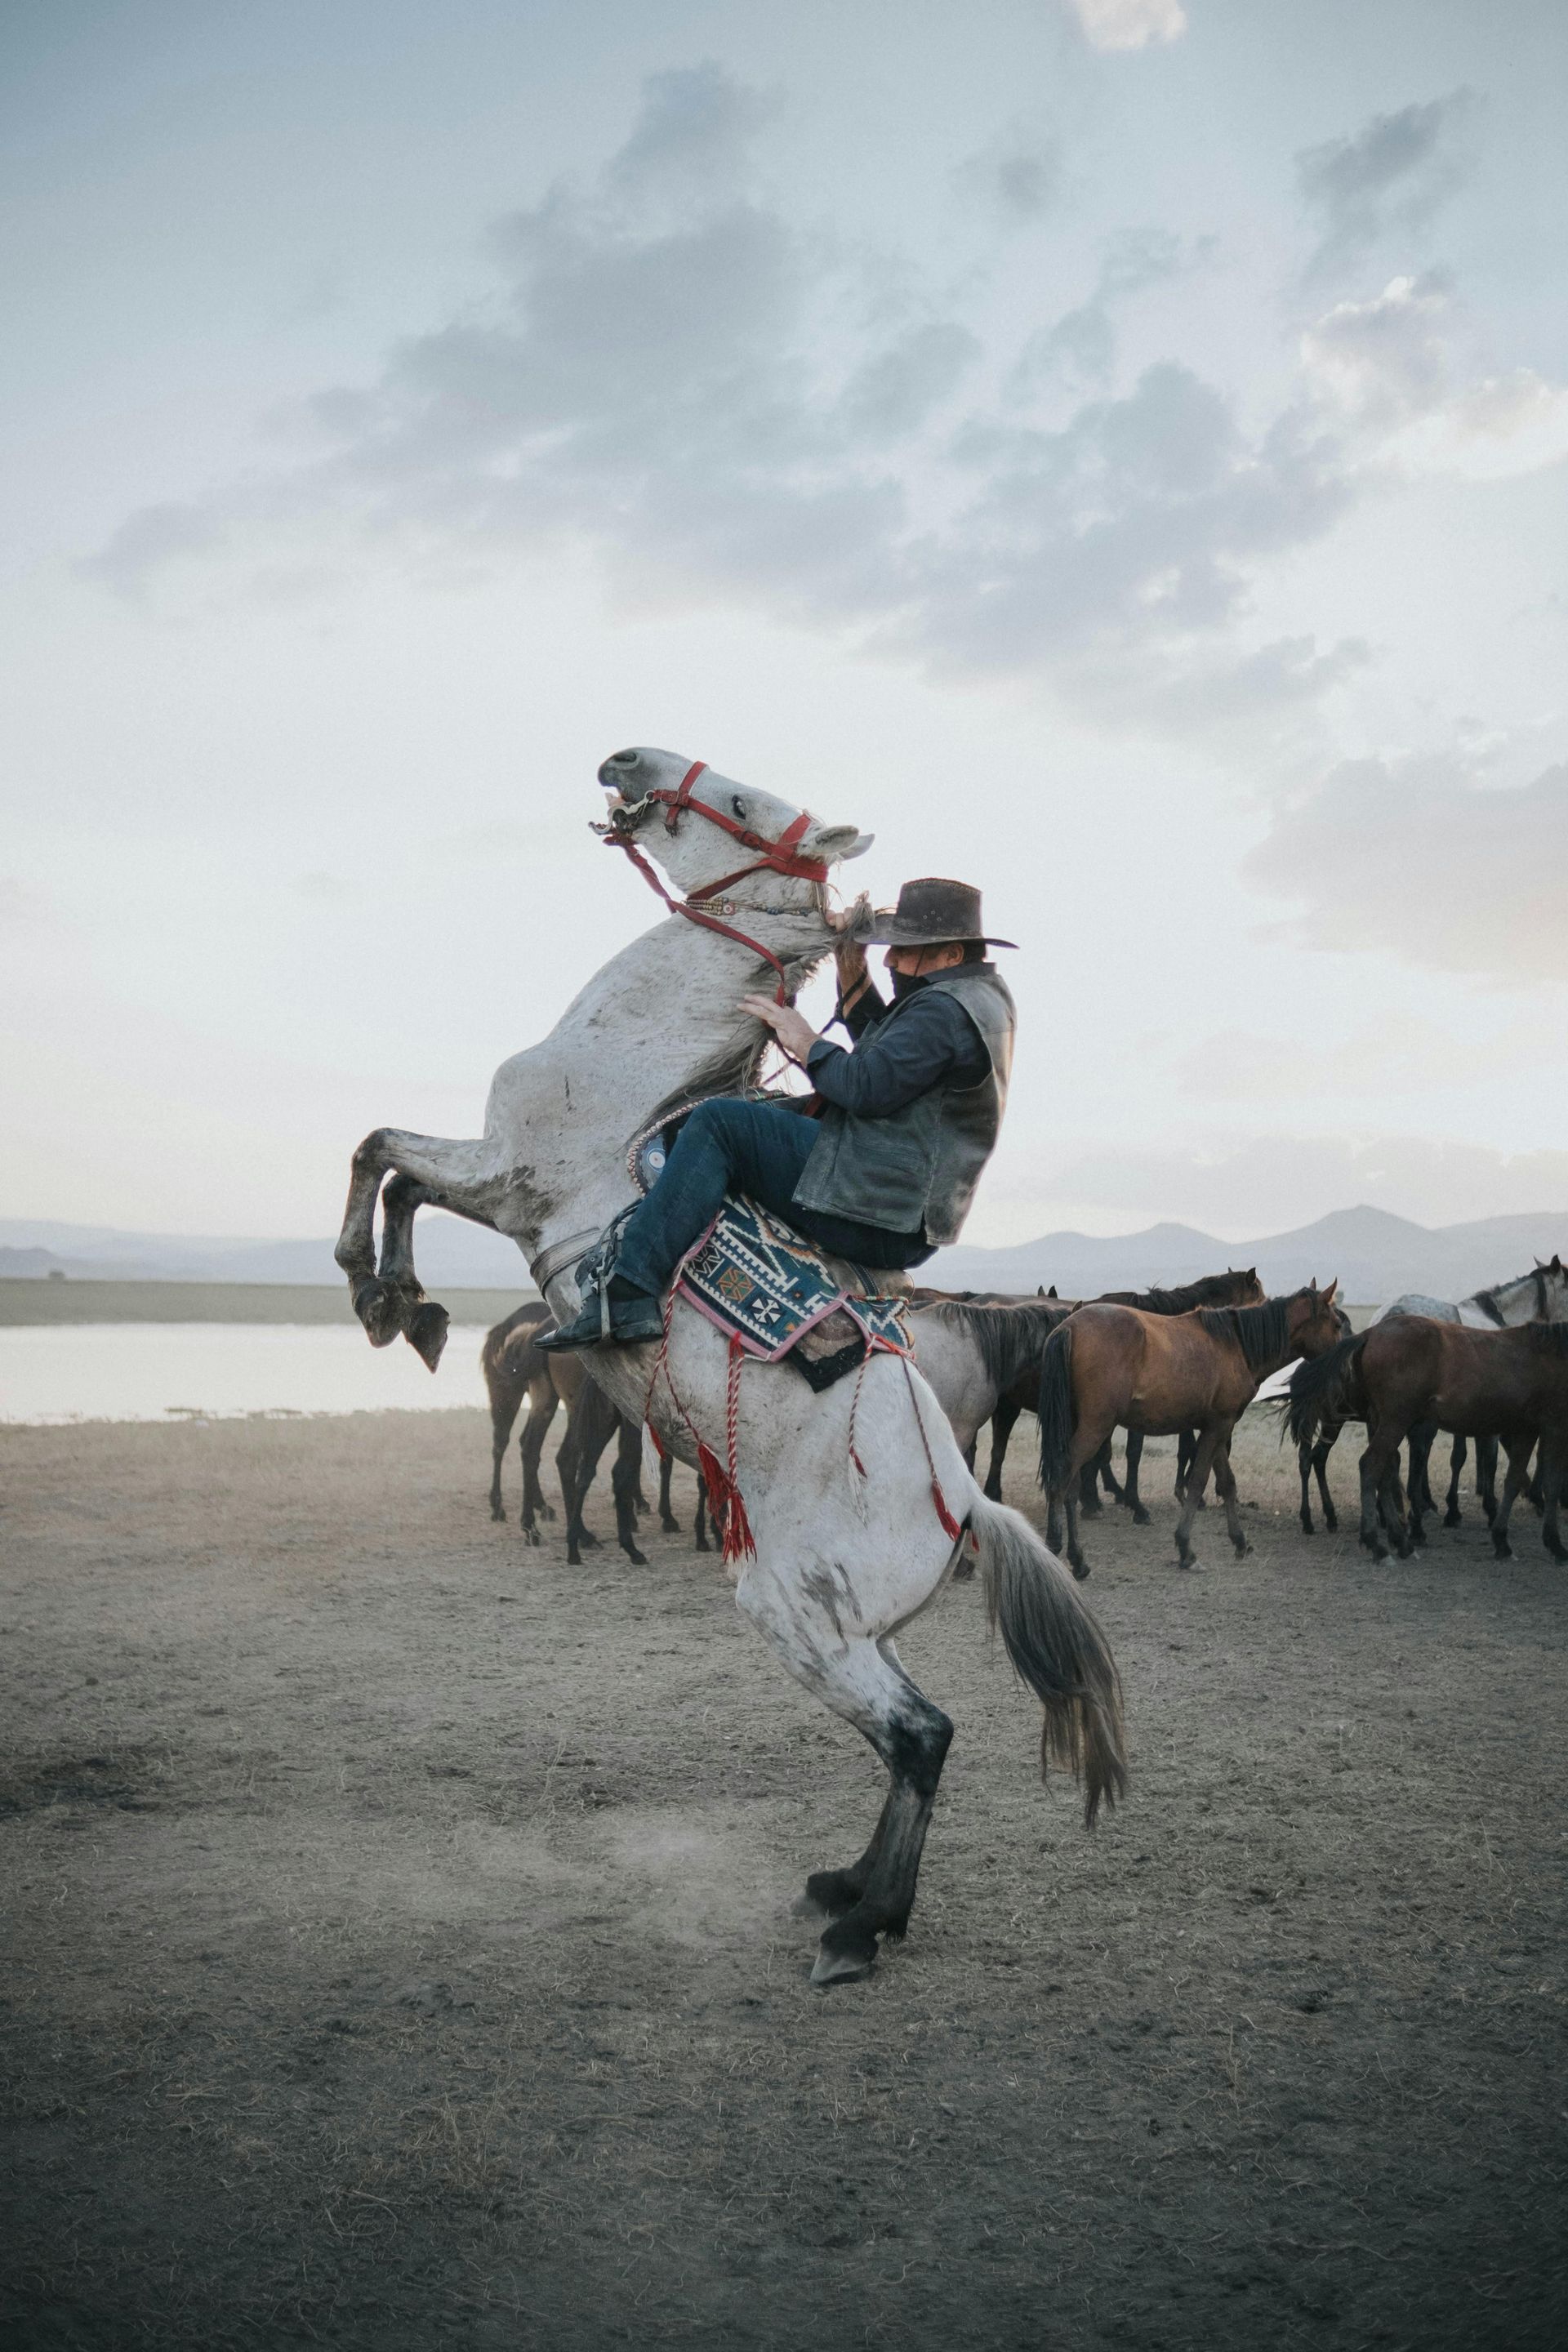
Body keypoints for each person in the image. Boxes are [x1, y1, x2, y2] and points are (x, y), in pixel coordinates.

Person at [540, 877, 1017, 1349]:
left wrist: (804, 1040)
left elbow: (866, 1086)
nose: (891, 959)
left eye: (905, 950)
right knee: (745, 1113)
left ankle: (628, 1293)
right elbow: (891, 1056)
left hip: (874, 1207)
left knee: (718, 1124)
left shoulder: (942, 1011)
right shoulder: (976, 1000)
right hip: (896, 1208)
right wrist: (850, 965)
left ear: (952, 954)